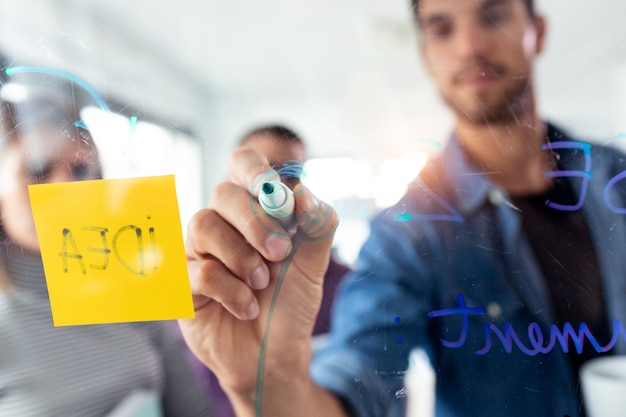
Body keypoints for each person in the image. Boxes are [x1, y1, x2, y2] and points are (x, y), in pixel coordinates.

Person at [179, 0, 626, 416]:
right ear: (426, 54)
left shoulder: (616, 178)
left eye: (492, 17)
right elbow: (362, 373)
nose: (469, 46)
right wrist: (270, 382)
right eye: (442, 28)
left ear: (538, 32)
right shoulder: (407, 233)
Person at [0, 84, 214, 416]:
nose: (65, 187)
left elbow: (193, 410)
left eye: (81, 170)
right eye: (39, 169)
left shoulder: (138, 285)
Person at [188, 124, 350, 417]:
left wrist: (277, 379)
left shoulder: (348, 286)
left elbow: (382, 401)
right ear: (232, 181)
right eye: (267, 172)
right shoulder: (202, 292)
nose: (278, 188)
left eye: (291, 174)